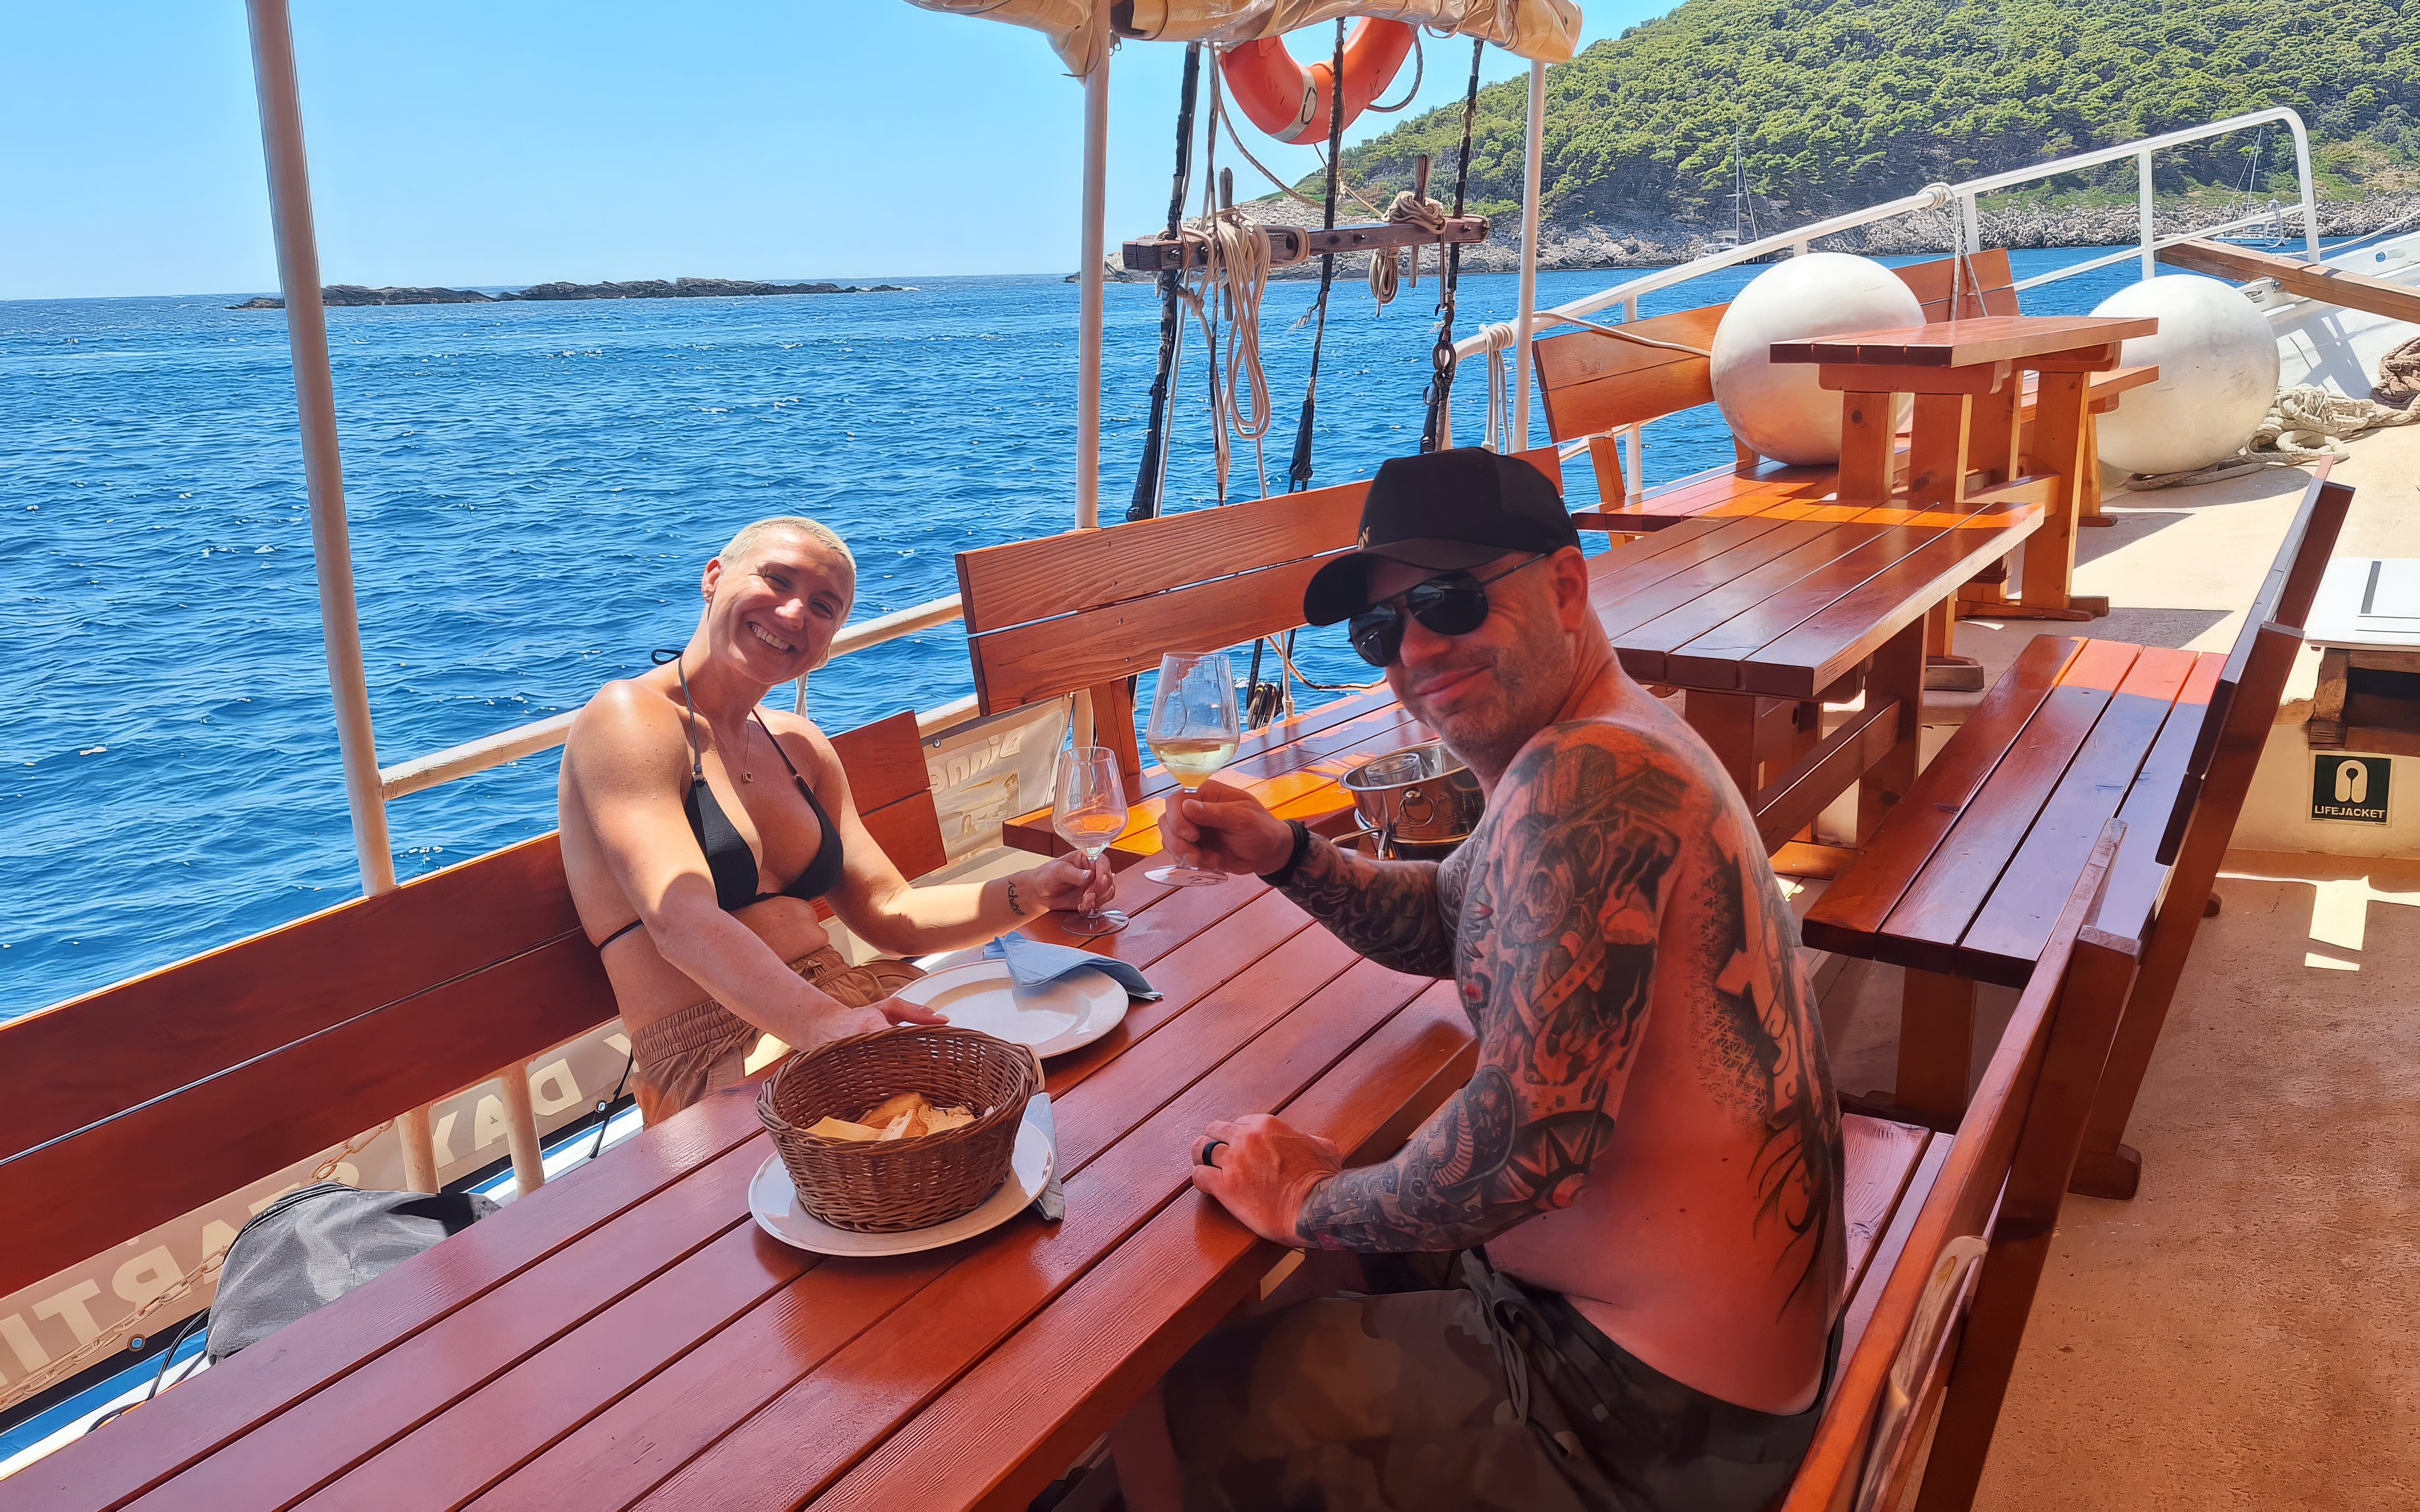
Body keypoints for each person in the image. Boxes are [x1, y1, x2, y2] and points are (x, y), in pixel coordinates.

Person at [1125, 450, 1845, 1512]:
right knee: (1319, 1253)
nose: (1413, 651)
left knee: (1183, 1400)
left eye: (1447, 601)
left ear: (1563, 585)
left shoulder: (1584, 780)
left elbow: (1520, 1159)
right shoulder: (1596, 744)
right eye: (1380, 632)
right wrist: (1286, 853)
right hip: (1679, 1350)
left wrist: (1306, 1202)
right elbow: (1447, 916)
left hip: (1640, 1417)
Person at [557, 516, 1111, 1125]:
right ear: (713, 577)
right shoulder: (629, 719)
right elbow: (679, 920)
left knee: (1088, 1056)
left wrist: (1030, 890)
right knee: (1002, 1112)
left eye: (824, 607)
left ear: (829, 642)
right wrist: (823, 1024)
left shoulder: (798, 746)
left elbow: (891, 915)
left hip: (848, 1005)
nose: (795, 614)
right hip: (721, 1056)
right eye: (776, 579)